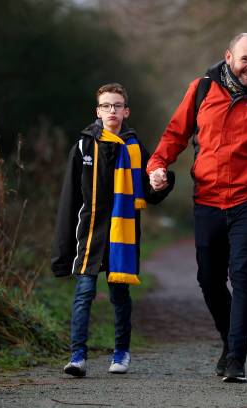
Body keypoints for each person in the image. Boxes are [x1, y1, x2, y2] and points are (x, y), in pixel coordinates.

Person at [147, 33, 247, 382]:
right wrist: (157, 165)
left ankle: (236, 358)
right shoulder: (201, 89)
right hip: (208, 198)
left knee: (243, 275)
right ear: (228, 56)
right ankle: (229, 341)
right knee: (208, 279)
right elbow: (175, 134)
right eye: (246, 59)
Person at [51, 83, 174, 377]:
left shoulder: (134, 147)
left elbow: (150, 189)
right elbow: (70, 200)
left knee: (120, 297)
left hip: (123, 236)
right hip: (90, 234)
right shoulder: (83, 146)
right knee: (84, 293)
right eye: (106, 105)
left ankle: (121, 353)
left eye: (117, 105)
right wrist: (62, 253)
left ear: (126, 111)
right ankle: (77, 356)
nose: (111, 111)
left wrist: (163, 180)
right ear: (97, 111)